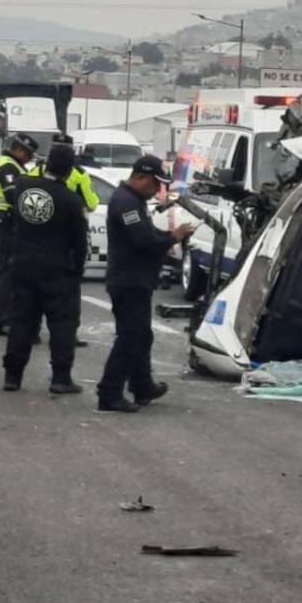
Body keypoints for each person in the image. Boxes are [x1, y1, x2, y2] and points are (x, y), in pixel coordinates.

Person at [97, 155, 195, 413]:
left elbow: (149, 235)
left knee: (141, 336)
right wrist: (174, 236)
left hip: (136, 280)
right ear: (141, 177)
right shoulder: (126, 203)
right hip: (128, 281)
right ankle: (109, 393)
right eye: (155, 184)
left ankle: (142, 385)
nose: (157, 190)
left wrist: (169, 236)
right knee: (130, 338)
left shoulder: (134, 201)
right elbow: (142, 241)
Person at [2, 144, 87, 394]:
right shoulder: (71, 200)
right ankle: (60, 378)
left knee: (22, 322)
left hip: (23, 265)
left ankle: (12, 376)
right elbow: (79, 243)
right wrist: (77, 271)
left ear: (47, 163)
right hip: (57, 270)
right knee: (62, 324)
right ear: (69, 170)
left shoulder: (23, 187)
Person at [0, 133, 40, 336]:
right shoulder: (8, 166)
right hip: (9, 220)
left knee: (12, 271)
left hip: (11, 220)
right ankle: (3, 320)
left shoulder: (15, 166)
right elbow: (13, 194)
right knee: (8, 272)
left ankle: (6, 318)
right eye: (28, 154)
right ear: (18, 149)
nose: (29, 158)